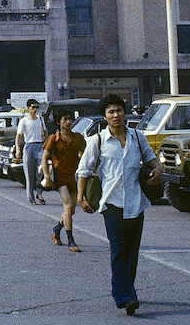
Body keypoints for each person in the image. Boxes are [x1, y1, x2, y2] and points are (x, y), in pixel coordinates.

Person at [76, 94, 162, 316]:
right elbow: (84, 170)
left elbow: (151, 159)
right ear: (105, 116)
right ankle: (127, 296)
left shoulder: (137, 136)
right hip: (112, 203)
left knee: (131, 251)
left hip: (135, 202)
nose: (116, 115)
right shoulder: (98, 140)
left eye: (119, 110)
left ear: (125, 112)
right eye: (111, 112)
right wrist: (81, 197)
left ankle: (123, 289)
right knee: (118, 249)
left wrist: (157, 169)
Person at [41, 110, 86, 252]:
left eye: (69, 119)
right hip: (60, 178)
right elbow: (44, 158)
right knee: (68, 206)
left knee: (71, 210)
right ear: (58, 122)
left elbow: (86, 154)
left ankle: (57, 229)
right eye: (65, 119)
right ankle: (71, 240)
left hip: (74, 177)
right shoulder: (54, 138)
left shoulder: (77, 138)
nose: (68, 122)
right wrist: (47, 177)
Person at [14, 98, 47, 204]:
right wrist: (18, 149)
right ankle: (31, 198)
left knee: (41, 170)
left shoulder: (40, 119)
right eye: (33, 107)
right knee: (29, 173)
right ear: (28, 108)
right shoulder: (24, 121)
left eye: (37, 107)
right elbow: (18, 136)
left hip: (39, 146)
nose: (35, 110)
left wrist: (46, 146)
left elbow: (45, 132)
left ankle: (39, 192)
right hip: (29, 146)